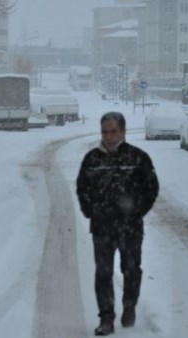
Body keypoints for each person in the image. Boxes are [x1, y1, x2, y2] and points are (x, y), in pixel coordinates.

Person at [76, 112, 159, 336]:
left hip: (130, 227)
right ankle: (106, 318)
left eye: (113, 131)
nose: (109, 136)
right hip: (102, 228)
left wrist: (136, 212)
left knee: (131, 269)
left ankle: (129, 305)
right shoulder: (92, 160)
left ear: (123, 131)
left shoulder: (137, 158)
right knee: (103, 273)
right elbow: (82, 188)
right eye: (105, 132)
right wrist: (90, 211)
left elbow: (151, 188)